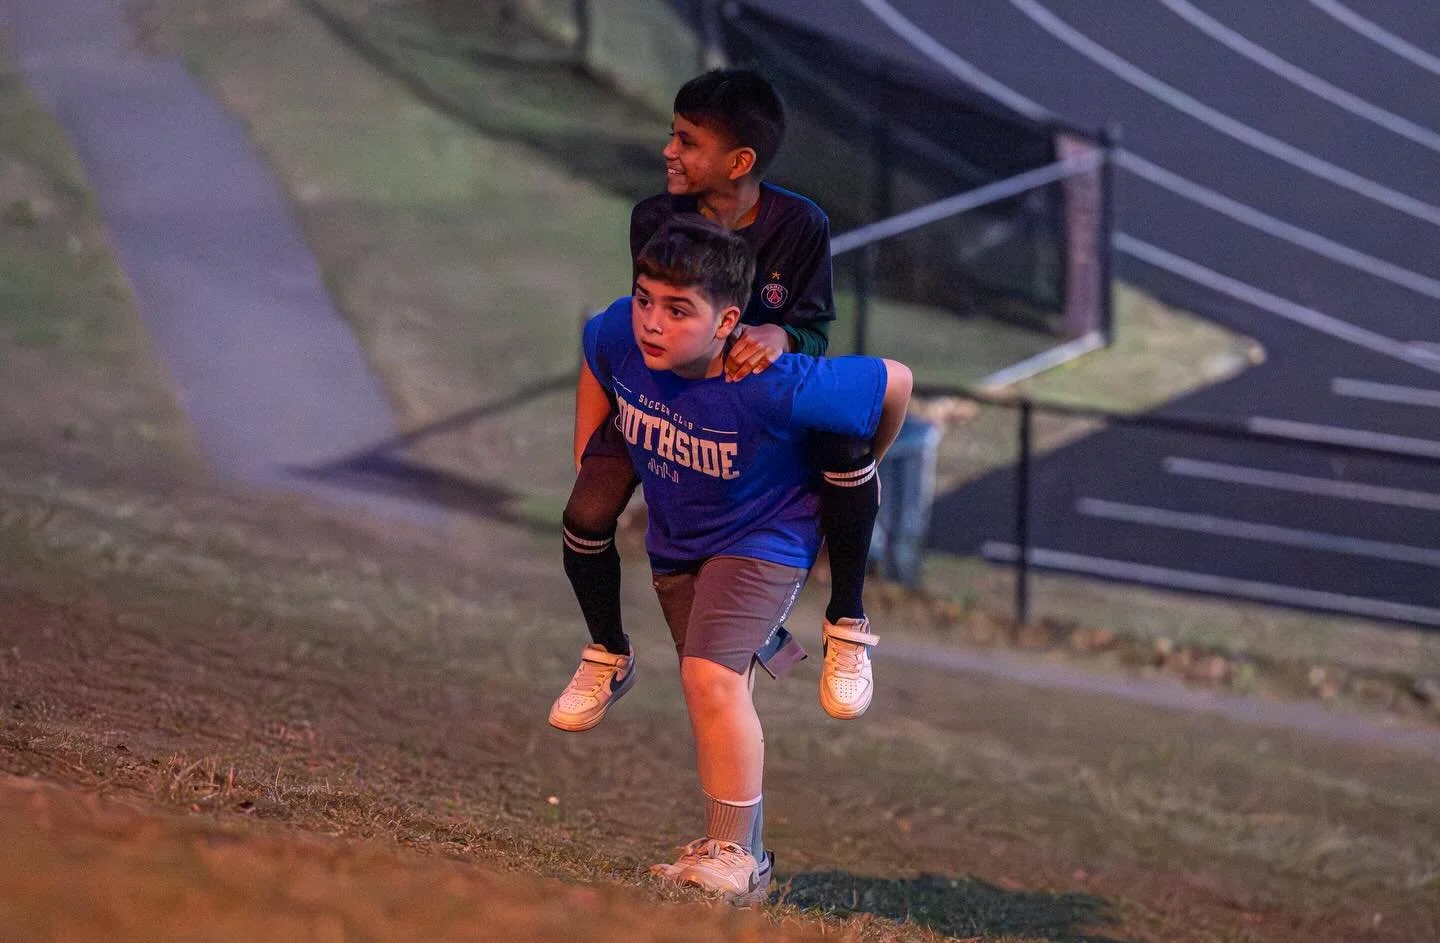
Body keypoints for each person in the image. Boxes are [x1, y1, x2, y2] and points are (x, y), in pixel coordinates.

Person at [577, 216, 912, 902]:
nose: (651, 322)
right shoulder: (619, 333)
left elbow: (896, 382)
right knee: (714, 690)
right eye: (646, 299)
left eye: (678, 309)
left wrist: (855, 480)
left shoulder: (771, 382)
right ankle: (743, 856)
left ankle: (731, 854)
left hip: (766, 539)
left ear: (729, 319)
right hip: (679, 542)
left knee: (710, 675)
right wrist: (589, 454)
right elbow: (597, 350)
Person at [550, 69, 885, 732]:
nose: (668, 151)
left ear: (738, 162)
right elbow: (651, 322)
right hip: (671, 402)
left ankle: (846, 620)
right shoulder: (652, 216)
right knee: (586, 513)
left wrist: (778, 332)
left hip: (763, 407)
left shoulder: (801, 225)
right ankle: (607, 652)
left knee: (847, 445)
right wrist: (607, 428)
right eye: (672, 135)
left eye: (686, 140)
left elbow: (815, 329)